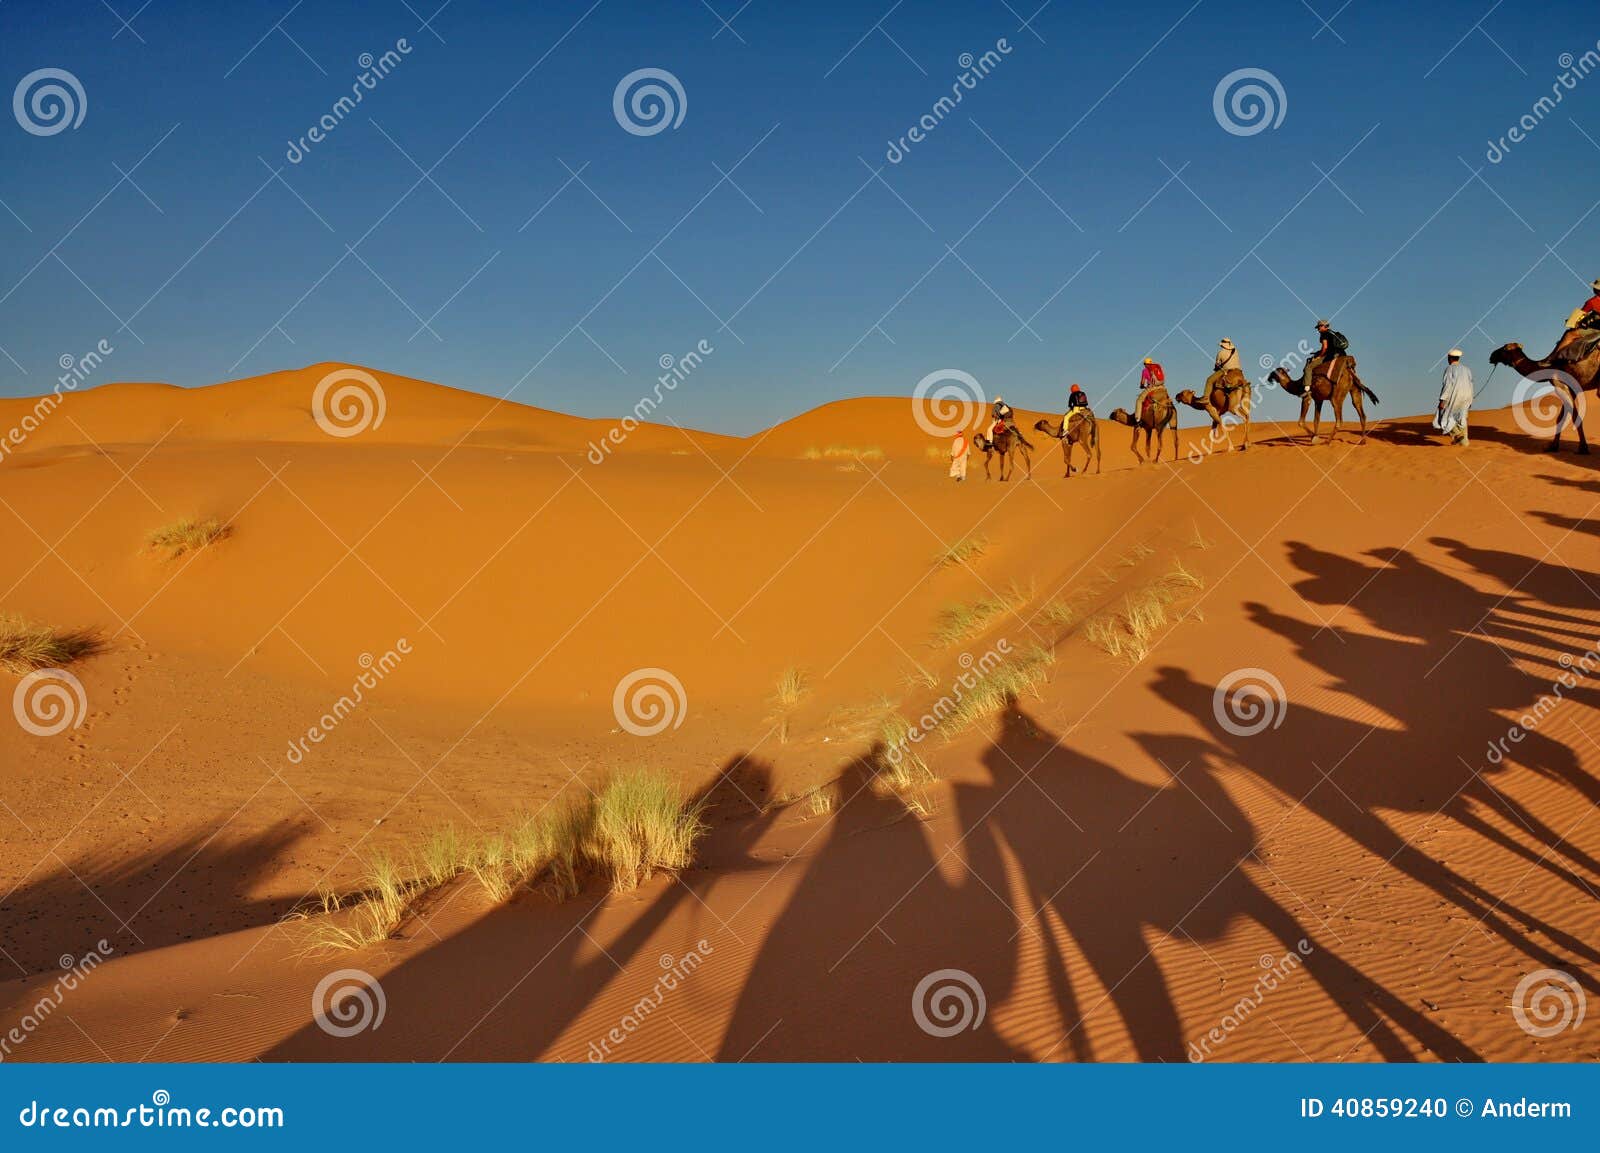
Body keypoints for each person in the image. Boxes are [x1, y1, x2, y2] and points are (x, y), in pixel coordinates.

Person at [1434, 349, 1473, 445]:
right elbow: (1471, 384)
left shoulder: (1449, 369)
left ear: (1449, 358)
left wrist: (1442, 400)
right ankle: (1464, 444)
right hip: (1467, 397)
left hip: (1455, 396)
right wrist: (1470, 400)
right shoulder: (1467, 369)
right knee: (1461, 419)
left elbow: (1447, 385)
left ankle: (1457, 434)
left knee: (1444, 416)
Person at [1305, 320, 1348, 390]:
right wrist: (1318, 352)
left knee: (1308, 368)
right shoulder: (1334, 333)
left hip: (1331, 355)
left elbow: (1325, 347)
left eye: (1319, 327)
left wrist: (1319, 356)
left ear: (1323, 326)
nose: (1318, 329)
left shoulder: (1324, 334)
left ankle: (1307, 388)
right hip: (1342, 354)